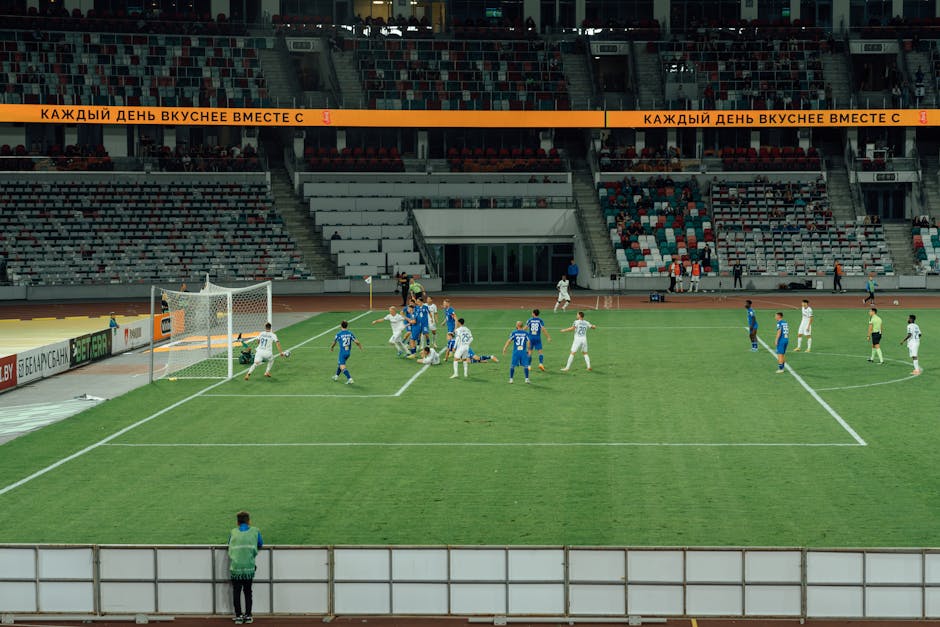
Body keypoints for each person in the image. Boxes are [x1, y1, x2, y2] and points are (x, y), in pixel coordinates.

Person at [228, 510, 263, 625]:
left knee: (236, 591)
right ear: (249, 521)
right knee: (248, 591)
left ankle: (238, 616)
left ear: (237, 522)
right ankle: (248, 616)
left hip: (236, 567)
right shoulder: (255, 531)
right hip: (249, 567)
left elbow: (229, 544)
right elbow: (260, 544)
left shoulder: (233, 532)